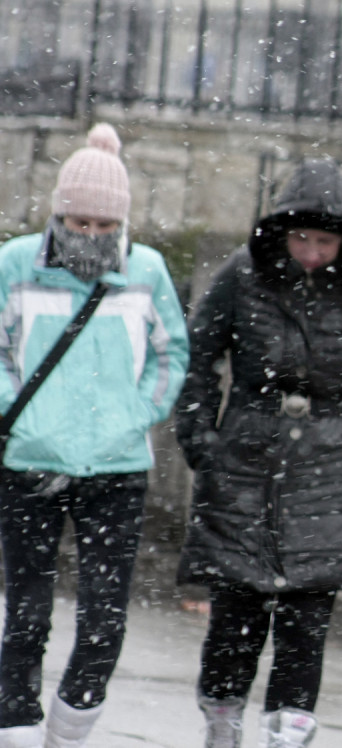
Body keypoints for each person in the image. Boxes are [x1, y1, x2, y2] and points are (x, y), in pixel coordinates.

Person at [175, 158, 342, 748]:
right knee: (234, 616)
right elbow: (198, 356)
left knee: (306, 623)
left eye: (326, 240)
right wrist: (202, 442)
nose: (313, 252)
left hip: (331, 468)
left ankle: (288, 734)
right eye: (302, 238)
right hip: (243, 459)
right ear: (283, 232)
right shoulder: (243, 275)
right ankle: (222, 725)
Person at [0, 123, 190, 747]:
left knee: (105, 622)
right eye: (80, 223)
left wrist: (135, 415)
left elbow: (171, 354)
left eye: (105, 227)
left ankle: (69, 732)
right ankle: (19, 727)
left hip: (116, 469)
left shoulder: (147, 272)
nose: (91, 237)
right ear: (58, 213)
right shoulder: (15, 265)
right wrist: (19, 411)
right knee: (26, 615)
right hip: (29, 462)